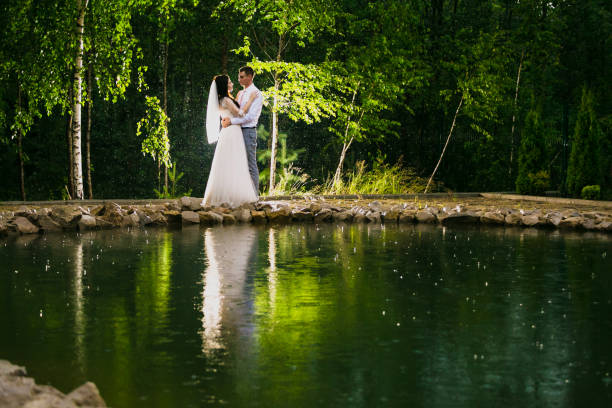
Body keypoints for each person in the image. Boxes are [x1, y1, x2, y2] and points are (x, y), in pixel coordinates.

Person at [202, 75, 258, 208]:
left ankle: (223, 195)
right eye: (230, 82)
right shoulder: (226, 100)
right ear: (225, 85)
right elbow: (240, 114)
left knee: (226, 164)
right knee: (236, 162)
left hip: (227, 133)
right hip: (233, 132)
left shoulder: (222, 100)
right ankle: (236, 196)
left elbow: (231, 111)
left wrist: (237, 99)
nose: (232, 83)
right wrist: (250, 100)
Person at [221, 66, 263, 194]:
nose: (239, 79)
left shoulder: (256, 93)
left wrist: (231, 121)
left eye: (242, 77)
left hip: (248, 131)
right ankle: (241, 194)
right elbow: (237, 112)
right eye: (239, 77)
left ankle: (254, 195)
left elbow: (250, 117)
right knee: (238, 164)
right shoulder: (240, 93)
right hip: (236, 132)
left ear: (250, 77)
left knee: (250, 165)